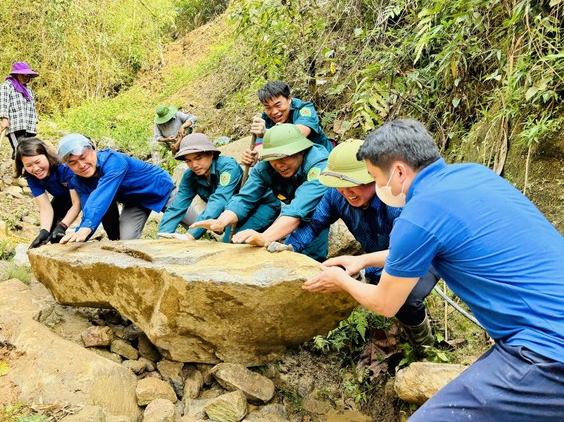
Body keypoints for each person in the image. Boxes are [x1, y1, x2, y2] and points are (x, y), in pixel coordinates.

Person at [303, 119, 564, 420]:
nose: (376, 188)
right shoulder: (474, 175)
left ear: (398, 171)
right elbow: (431, 242)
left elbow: (385, 303)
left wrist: (339, 279)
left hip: (545, 350)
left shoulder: (417, 215)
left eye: (375, 178)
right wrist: (363, 260)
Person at [283, 139, 439, 352]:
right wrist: (288, 249)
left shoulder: (395, 201)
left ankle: (425, 346)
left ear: (374, 177)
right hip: (374, 258)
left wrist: (360, 274)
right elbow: (312, 225)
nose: (347, 193)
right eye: (340, 186)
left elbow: (402, 255)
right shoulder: (335, 197)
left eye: (354, 184)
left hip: (421, 257)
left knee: (405, 299)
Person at [192, 124, 329, 259]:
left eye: (284, 157)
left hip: (321, 209)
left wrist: (265, 237)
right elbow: (245, 198)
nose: (279, 165)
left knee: (311, 257)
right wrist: (222, 221)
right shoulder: (265, 167)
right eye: (273, 159)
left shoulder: (318, 164)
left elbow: (298, 209)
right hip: (293, 209)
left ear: (301, 150)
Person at [158, 133, 280, 241]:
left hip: (260, 206)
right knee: (227, 243)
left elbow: (219, 200)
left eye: (198, 158)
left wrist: (191, 235)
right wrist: (161, 237)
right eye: (188, 161)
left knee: (237, 244)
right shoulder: (190, 177)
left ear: (211, 154)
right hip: (230, 215)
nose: (194, 165)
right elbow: (177, 207)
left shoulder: (228, 167)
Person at [57, 133, 174, 243]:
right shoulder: (78, 181)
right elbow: (89, 207)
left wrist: (87, 226)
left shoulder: (113, 161)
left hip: (160, 189)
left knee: (191, 228)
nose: (81, 165)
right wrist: (80, 233)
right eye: (73, 163)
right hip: (134, 201)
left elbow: (101, 196)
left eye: (83, 157)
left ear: (93, 150)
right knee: (126, 242)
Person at [241, 81, 333, 167]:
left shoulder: (304, 109)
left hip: (323, 160)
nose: (274, 112)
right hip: (291, 164)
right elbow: (261, 145)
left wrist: (267, 133)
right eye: (268, 107)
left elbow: (297, 135)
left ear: (289, 99)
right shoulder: (265, 117)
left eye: (278, 105)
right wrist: (255, 155)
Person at [0, 62, 39, 158]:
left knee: (29, 150)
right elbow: (3, 102)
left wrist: (35, 123)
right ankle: (18, 171)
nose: (25, 77)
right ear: (16, 75)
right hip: (16, 125)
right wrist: (4, 119)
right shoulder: (7, 86)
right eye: (22, 75)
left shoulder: (28, 90)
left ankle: (26, 171)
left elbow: (32, 107)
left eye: (27, 75)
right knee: (19, 150)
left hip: (28, 125)